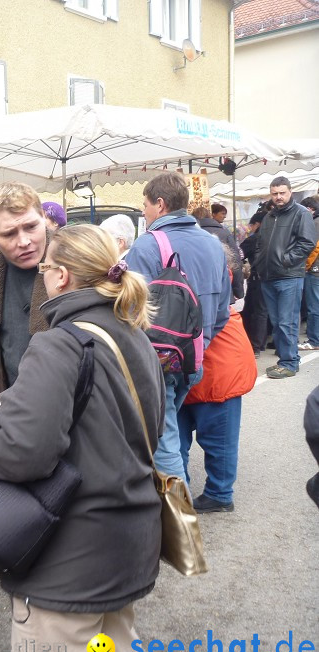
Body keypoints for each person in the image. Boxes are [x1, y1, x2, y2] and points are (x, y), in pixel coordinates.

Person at [0, 224, 164, 652]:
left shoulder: (59, 343)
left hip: (71, 555)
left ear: (59, 276)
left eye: (45, 268)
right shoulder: (133, 330)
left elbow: (19, 453)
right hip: (128, 537)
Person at [126, 172, 231, 479]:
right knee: (171, 432)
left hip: (158, 360)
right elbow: (223, 310)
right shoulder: (214, 244)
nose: (143, 212)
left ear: (159, 204)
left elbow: (132, 312)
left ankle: (178, 522)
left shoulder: (147, 245)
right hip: (196, 357)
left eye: (145, 205)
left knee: (165, 442)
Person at [178, 245, 257, 513]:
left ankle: (218, 493)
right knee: (187, 439)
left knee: (216, 440)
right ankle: (187, 493)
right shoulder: (211, 268)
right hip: (200, 369)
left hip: (217, 371)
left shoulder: (207, 275)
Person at [0, 182, 50, 403]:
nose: (24, 242)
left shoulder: (74, 262)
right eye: (9, 233)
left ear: (44, 217)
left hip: (63, 414)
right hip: (7, 409)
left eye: (31, 227)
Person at [253, 177, 317, 378]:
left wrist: (286, 260)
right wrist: (259, 263)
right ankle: (287, 359)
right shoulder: (270, 216)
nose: (278, 197)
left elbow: (307, 243)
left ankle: (289, 362)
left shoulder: (301, 213)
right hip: (269, 276)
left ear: (290, 192)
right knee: (278, 320)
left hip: (288, 276)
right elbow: (260, 243)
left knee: (286, 321)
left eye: (282, 192)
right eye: (275, 193)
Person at [192, 206, 244, 300]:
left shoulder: (190, 235)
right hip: (223, 286)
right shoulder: (224, 233)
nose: (224, 216)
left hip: (198, 291)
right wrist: (238, 290)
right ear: (211, 215)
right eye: (223, 213)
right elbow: (235, 261)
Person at [240, 208, 271, 355]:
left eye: (251, 225)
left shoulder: (254, 239)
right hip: (273, 277)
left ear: (257, 224)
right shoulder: (274, 236)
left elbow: (238, 254)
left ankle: (255, 346)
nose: (250, 228)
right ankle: (261, 343)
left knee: (256, 311)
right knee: (265, 311)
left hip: (258, 279)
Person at [298, 196, 319, 351]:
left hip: (315, 270)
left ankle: (314, 340)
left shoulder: (315, 223)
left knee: (314, 307)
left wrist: (306, 266)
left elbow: (314, 248)